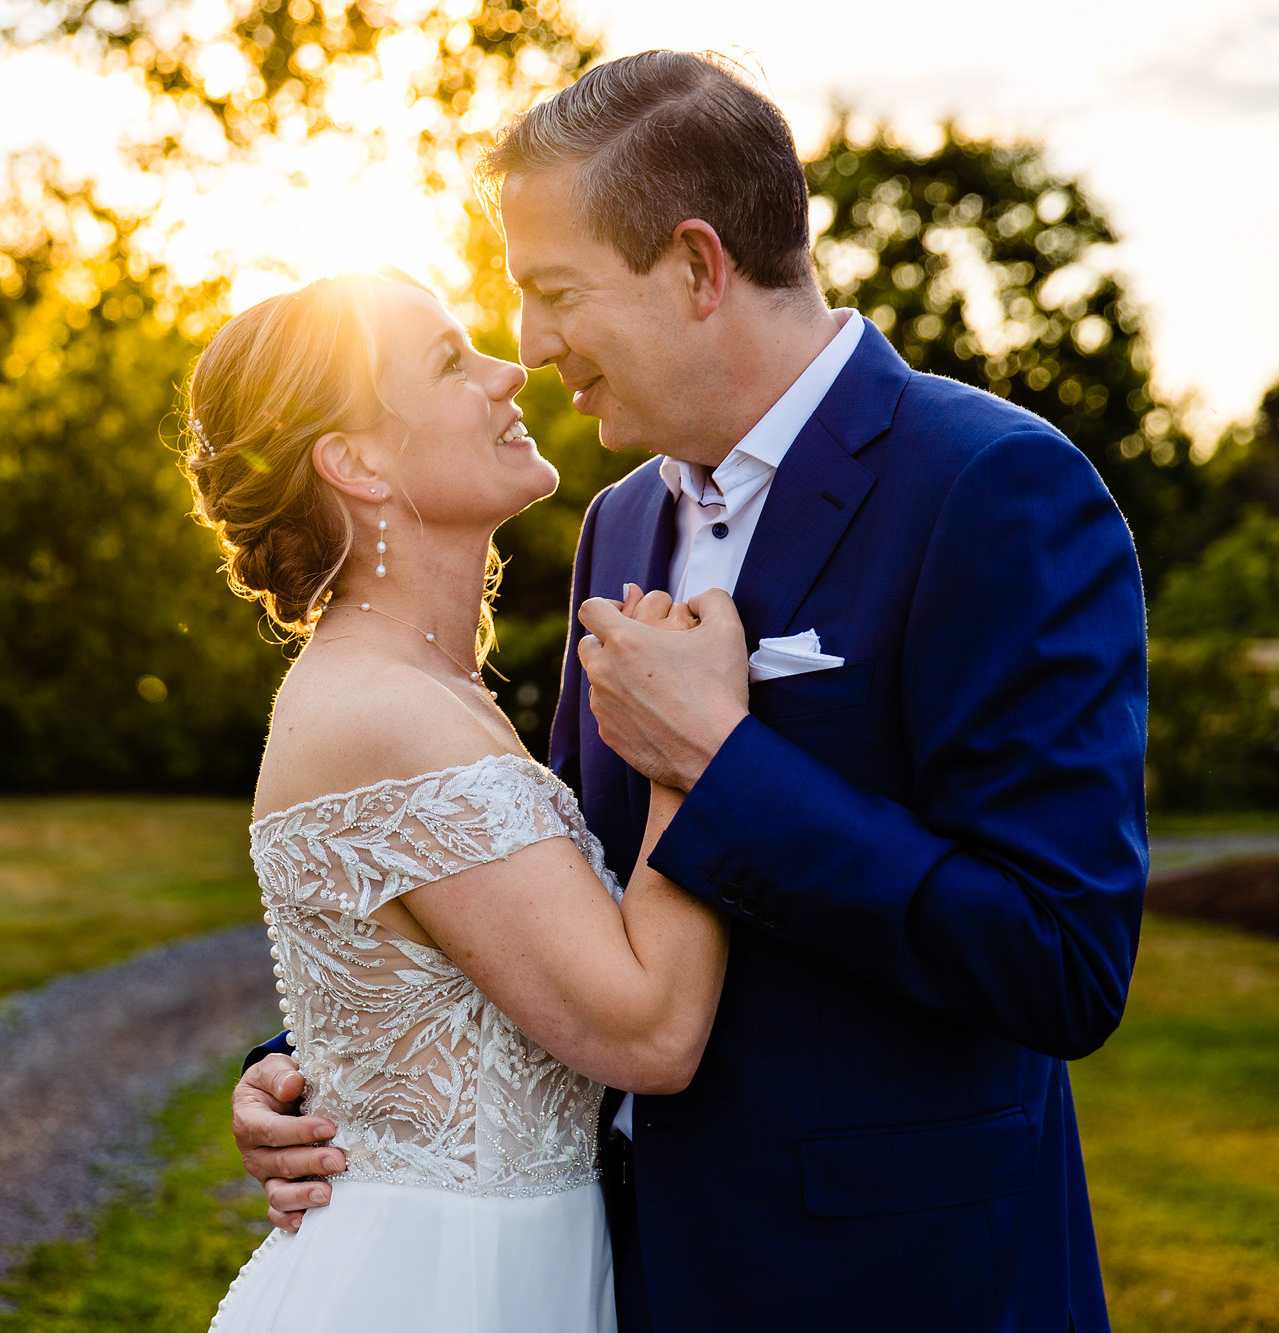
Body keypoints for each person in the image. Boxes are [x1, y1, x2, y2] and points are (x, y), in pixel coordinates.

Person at [231, 50, 1148, 1332]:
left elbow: (1061, 962)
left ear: (697, 268)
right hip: (634, 1277)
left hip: (895, 1284)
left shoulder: (991, 489)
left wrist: (726, 767)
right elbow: (563, 893)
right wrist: (315, 1067)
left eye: (553, 294)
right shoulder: (616, 528)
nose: (531, 346)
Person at [181, 268, 731, 1331]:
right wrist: (692, 755)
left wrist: (296, 1067)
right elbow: (649, 1034)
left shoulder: (426, 692)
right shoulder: (383, 715)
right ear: (355, 460)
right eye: (446, 362)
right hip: (438, 1288)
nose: (506, 371)